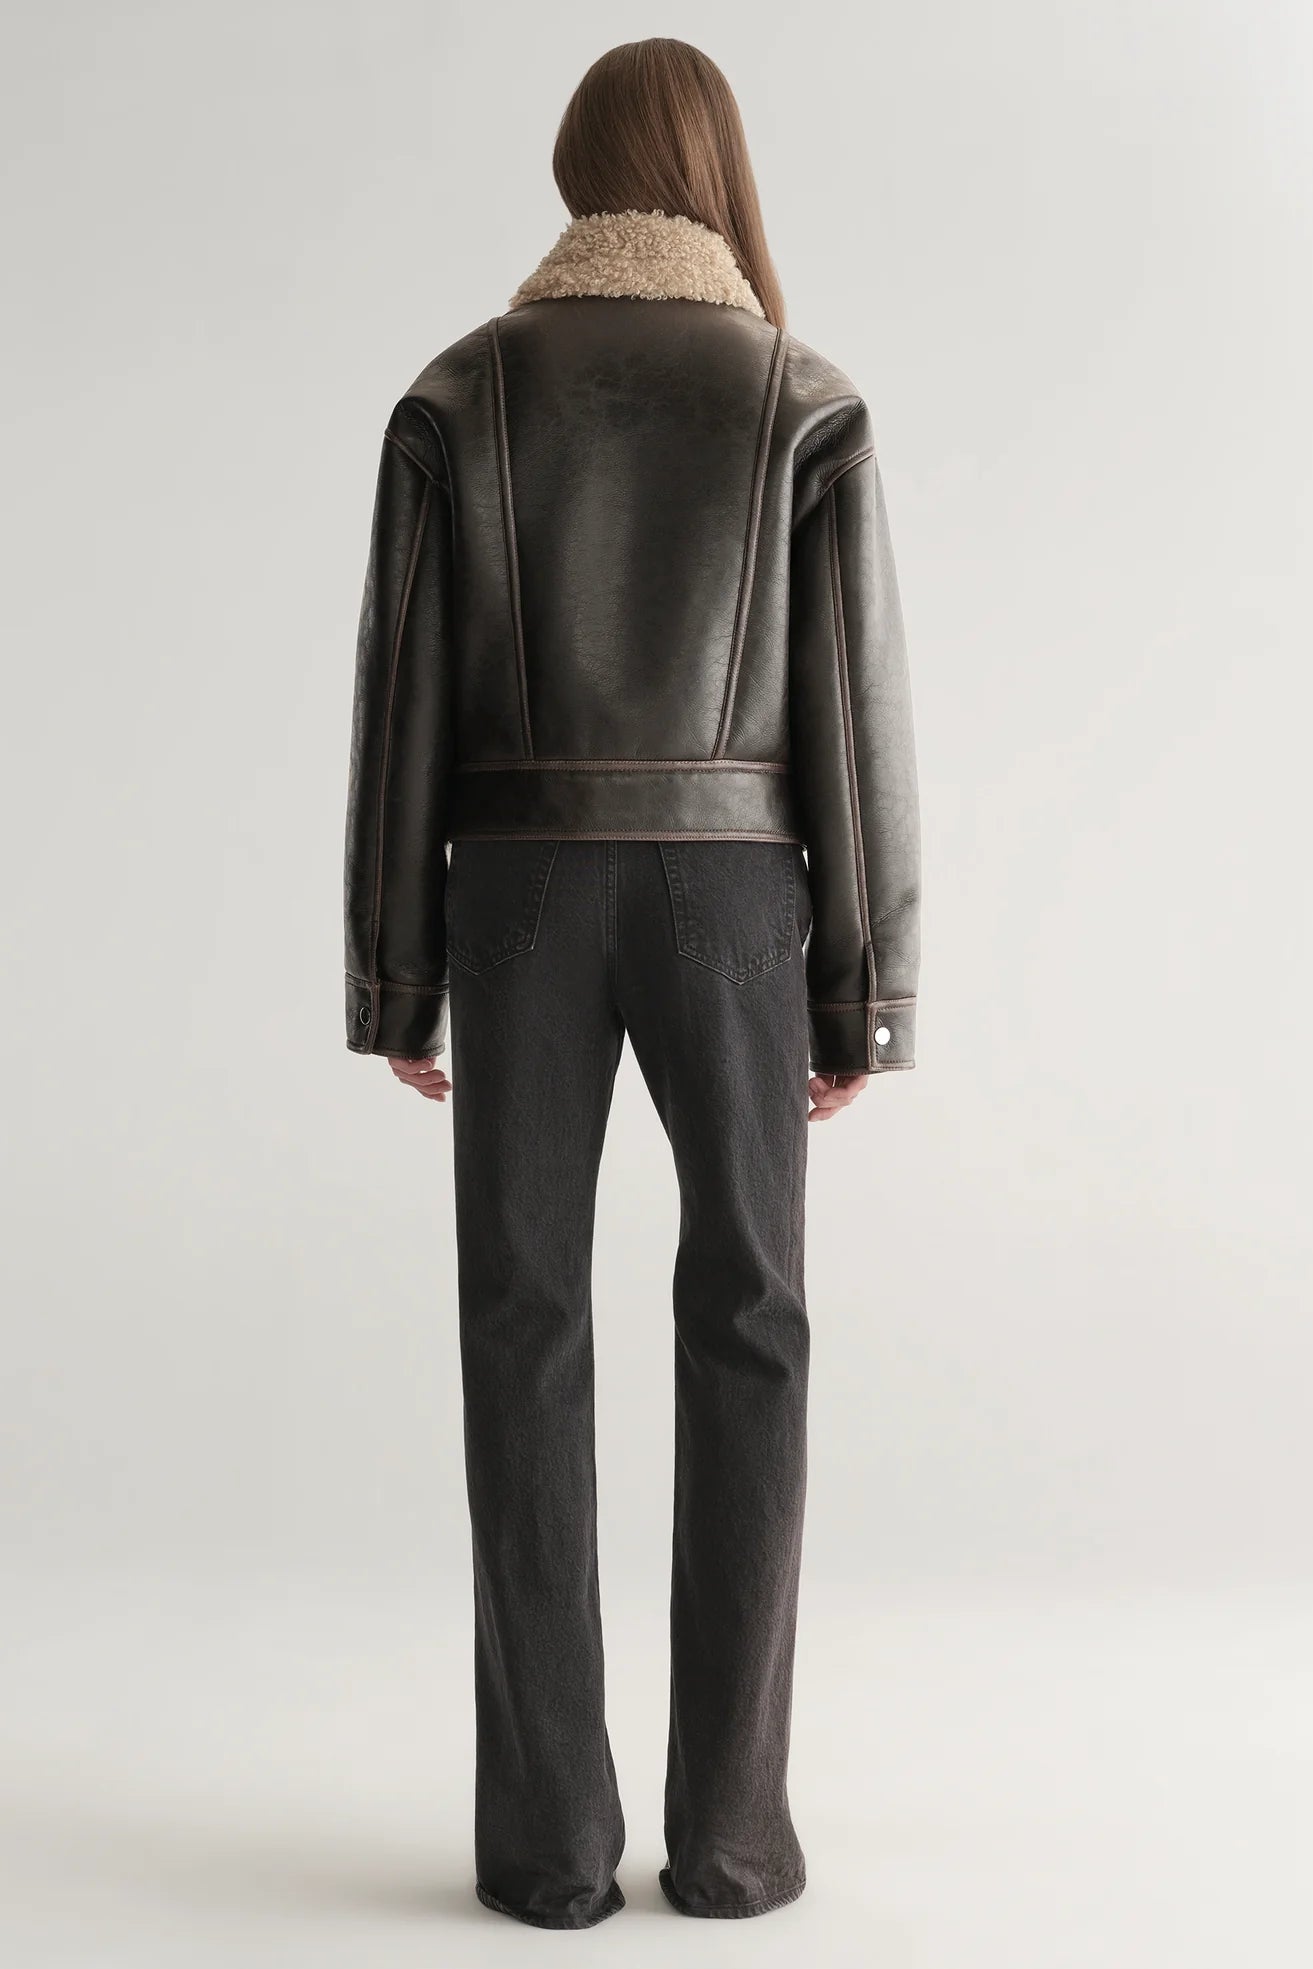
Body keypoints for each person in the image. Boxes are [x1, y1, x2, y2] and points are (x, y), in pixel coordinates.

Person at [342, 36, 921, 1931]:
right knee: (751, 1319)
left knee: (520, 1324)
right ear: (713, 164)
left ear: (573, 169)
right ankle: (734, 1842)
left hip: (513, 891)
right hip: (734, 899)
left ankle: (546, 1850)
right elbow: (850, 714)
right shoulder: (797, 395)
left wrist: (396, 971)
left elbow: (399, 702)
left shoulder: (459, 390)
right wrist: (861, 990)